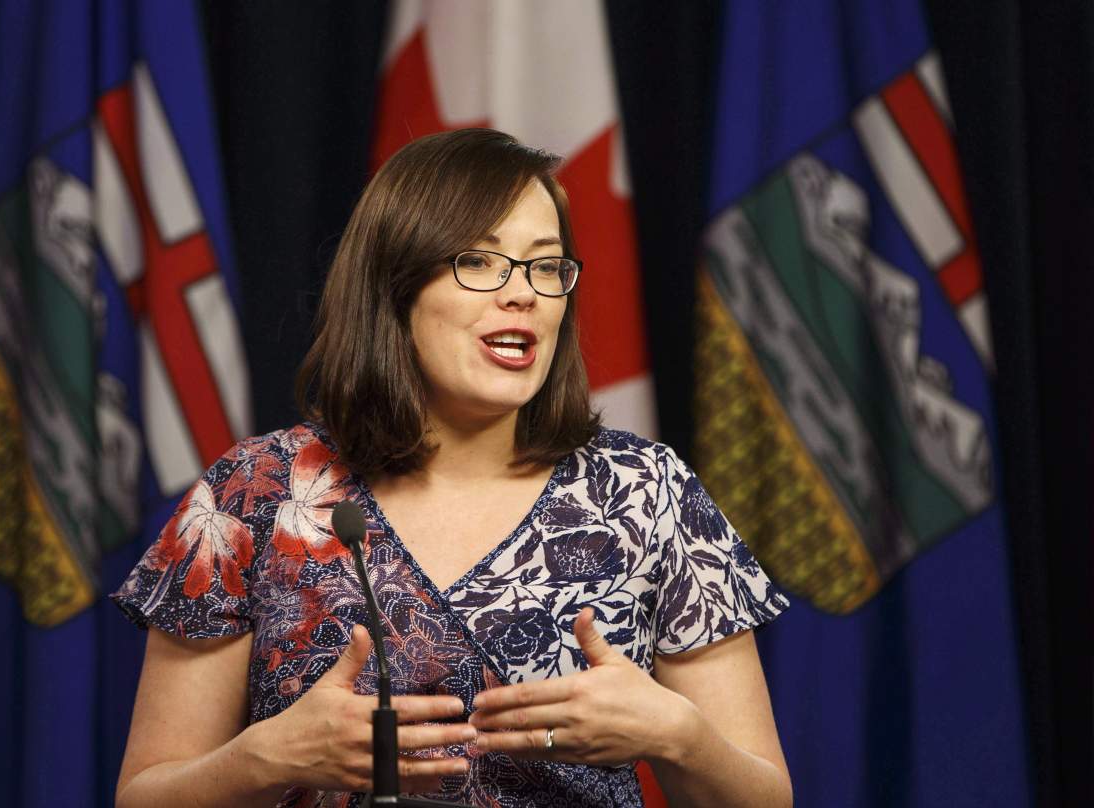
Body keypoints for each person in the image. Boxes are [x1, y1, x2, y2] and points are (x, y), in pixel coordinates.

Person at [112, 128, 793, 808]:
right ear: (395, 285)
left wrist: (677, 735)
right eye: (480, 261)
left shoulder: (646, 491)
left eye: (546, 266)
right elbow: (144, 795)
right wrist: (265, 759)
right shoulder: (254, 492)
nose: (523, 293)